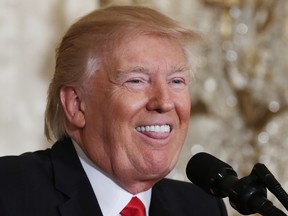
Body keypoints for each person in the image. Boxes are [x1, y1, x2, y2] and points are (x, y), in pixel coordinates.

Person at [0, 5, 227, 216]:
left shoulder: (202, 206)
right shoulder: (8, 190)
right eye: (137, 81)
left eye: (176, 81)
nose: (165, 102)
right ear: (76, 104)